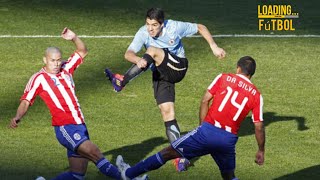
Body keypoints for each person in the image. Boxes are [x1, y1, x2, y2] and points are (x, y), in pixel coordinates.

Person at [9, 28, 147, 180]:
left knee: (77, 175)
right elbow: (26, 100)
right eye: (52, 60)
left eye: (58, 60)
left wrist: (74, 37)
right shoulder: (38, 78)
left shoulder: (66, 68)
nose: (56, 64)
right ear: (45, 60)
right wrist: (17, 116)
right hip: (65, 126)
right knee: (95, 153)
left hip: (80, 125)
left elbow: (82, 51)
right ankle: (130, 178)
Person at [105, 7, 226, 171]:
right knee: (167, 112)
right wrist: (138, 60)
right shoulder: (143, 32)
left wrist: (214, 46)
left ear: (162, 24)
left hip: (178, 67)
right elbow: (128, 53)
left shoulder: (174, 27)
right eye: (148, 24)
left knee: (152, 51)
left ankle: (121, 82)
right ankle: (180, 156)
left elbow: (200, 27)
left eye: (154, 25)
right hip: (160, 73)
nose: (150, 28)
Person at [115, 56, 265, 180]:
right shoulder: (256, 95)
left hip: (207, 131)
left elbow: (205, 100)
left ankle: (129, 174)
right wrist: (261, 150)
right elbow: (258, 126)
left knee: (167, 153)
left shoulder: (224, 77)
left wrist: (202, 126)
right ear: (252, 74)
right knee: (229, 176)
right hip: (227, 141)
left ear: (238, 68)